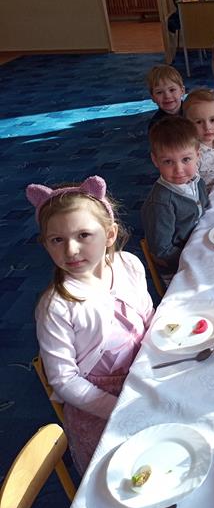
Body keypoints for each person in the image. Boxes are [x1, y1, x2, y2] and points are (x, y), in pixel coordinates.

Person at [26, 175, 153, 474]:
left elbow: (149, 318)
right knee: (128, 472)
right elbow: (64, 380)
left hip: (146, 373)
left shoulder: (128, 265)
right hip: (100, 407)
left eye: (83, 235)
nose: (71, 250)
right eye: (57, 240)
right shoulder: (56, 306)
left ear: (109, 234)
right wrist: (119, 409)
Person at [142, 117, 210, 280]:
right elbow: (162, 251)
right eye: (168, 162)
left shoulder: (197, 181)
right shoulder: (161, 203)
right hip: (178, 267)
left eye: (186, 159)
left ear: (197, 155)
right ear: (155, 160)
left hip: (199, 245)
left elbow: (206, 210)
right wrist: (196, 257)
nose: (179, 170)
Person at [183, 88, 214, 191]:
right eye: (199, 122)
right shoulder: (191, 155)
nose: (207, 127)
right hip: (211, 196)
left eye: (212, 120)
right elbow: (192, 187)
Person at [146, 65, 185, 130]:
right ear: (153, 97)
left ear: (182, 91)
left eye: (172, 90)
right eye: (159, 92)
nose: (167, 96)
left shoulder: (194, 112)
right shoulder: (157, 125)